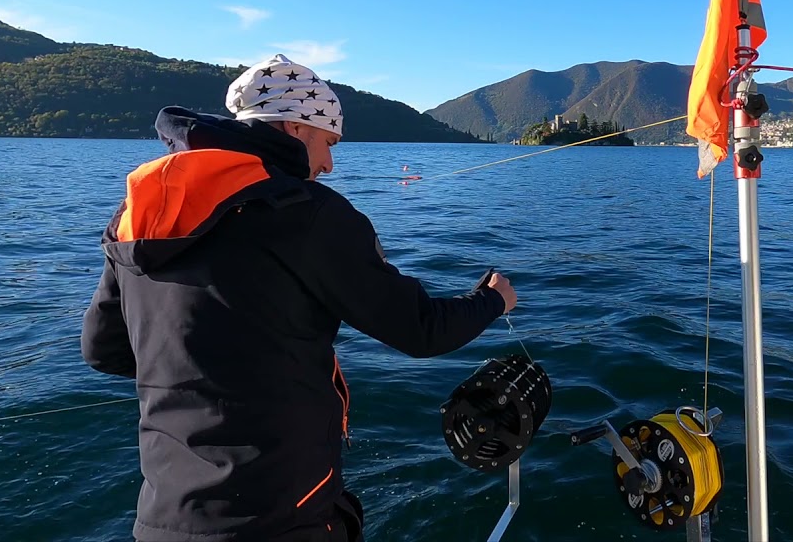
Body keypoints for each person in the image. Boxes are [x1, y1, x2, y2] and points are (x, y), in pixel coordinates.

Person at [80, 53, 516, 542]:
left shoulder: (140, 211)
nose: (329, 164)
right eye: (328, 142)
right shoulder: (308, 212)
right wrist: (493, 300)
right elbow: (423, 330)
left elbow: (103, 350)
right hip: (282, 516)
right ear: (294, 127)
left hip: (164, 518)